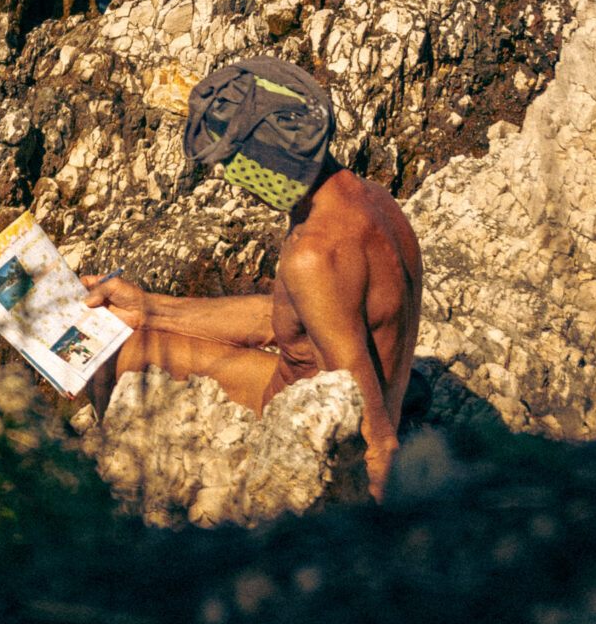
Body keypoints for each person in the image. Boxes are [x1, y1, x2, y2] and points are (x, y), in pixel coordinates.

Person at [83, 54, 423, 502]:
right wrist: (149, 309)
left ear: (268, 159)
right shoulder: (371, 199)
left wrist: (372, 529)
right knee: (125, 331)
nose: (230, 177)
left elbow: (374, 436)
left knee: (105, 355)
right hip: (293, 384)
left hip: (295, 433)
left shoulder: (312, 255)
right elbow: (284, 317)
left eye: (234, 162)